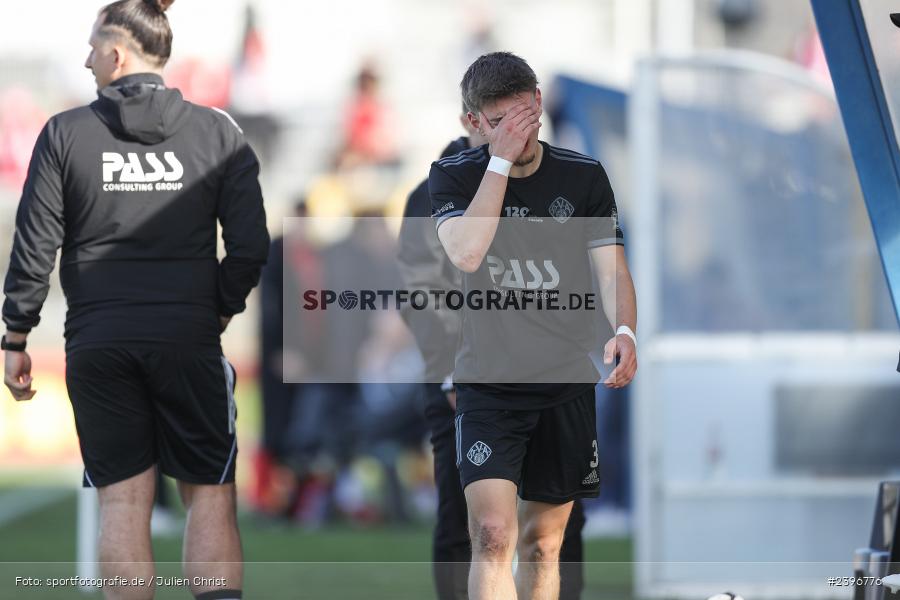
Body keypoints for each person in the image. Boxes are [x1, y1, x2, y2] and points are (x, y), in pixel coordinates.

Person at [1, 1, 268, 598]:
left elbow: (34, 247)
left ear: (117, 54)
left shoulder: (64, 133)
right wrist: (216, 308)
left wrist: (15, 335)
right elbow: (250, 247)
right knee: (210, 494)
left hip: (98, 342)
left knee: (122, 502)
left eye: (92, 47)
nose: (86, 58)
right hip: (187, 339)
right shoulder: (218, 132)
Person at [429, 52, 638, 600]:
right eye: (499, 122)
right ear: (474, 123)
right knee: (492, 534)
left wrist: (626, 332)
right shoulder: (451, 176)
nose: (517, 131)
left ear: (540, 104)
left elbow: (612, 269)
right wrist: (498, 162)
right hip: (488, 386)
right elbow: (468, 254)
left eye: (525, 114)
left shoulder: (584, 176)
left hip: (564, 381)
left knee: (543, 544)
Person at [399, 108, 589, 599]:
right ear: (471, 121)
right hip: (468, 385)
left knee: (559, 523)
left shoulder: (562, 178)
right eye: (495, 116)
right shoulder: (435, 191)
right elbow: (422, 293)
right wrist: (449, 375)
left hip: (551, 380)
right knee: (471, 524)